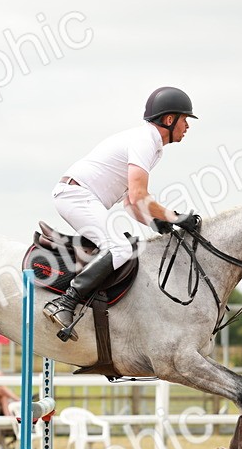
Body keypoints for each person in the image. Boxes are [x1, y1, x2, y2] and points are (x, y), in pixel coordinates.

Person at [43, 86, 201, 341]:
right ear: (169, 120)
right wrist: (175, 216)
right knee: (120, 248)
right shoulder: (145, 141)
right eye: (185, 119)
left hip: (79, 195)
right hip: (76, 195)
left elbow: (130, 202)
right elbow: (140, 195)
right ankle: (65, 303)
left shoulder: (151, 145)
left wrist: (154, 222)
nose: (187, 126)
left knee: (124, 245)